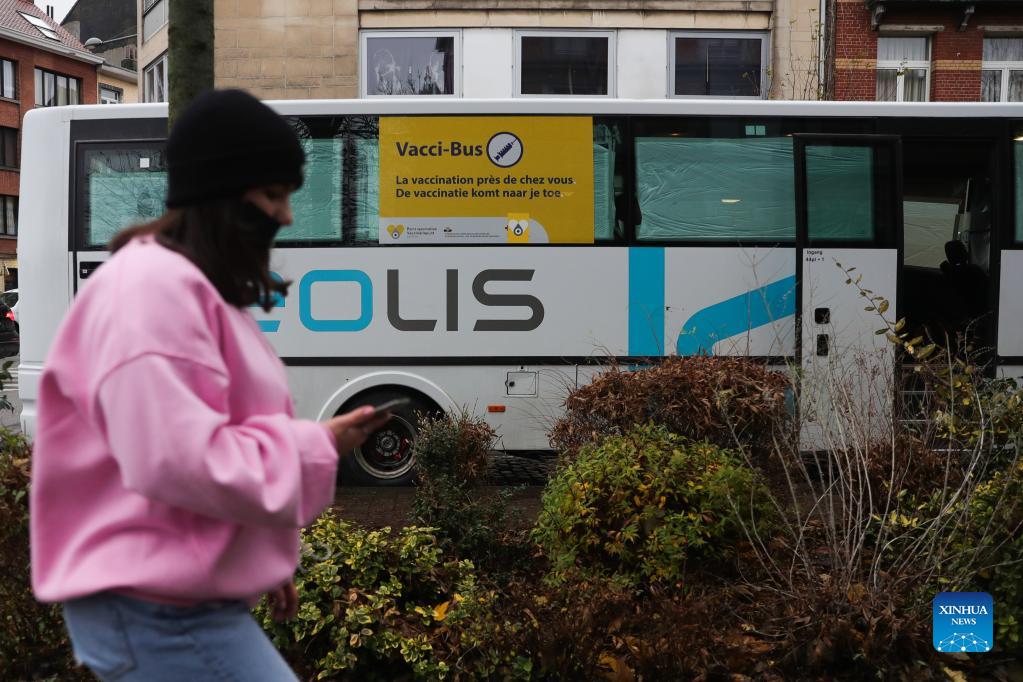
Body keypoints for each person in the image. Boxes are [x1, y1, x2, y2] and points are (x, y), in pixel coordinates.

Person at [29, 89, 390, 681]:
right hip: (155, 608)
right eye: (272, 195)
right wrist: (318, 444)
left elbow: (196, 446)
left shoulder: (186, 287)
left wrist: (255, 552)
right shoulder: (153, 292)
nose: (286, 216)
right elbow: (179, 460)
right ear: (221, 193)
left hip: (164, 597)